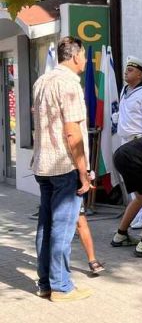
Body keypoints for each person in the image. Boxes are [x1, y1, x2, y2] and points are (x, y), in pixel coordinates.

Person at [32, 36, 92, 302]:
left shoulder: (42, 81)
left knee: (46, 225)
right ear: (76, 56)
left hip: (43, 164)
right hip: (64, 165)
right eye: (84, 56)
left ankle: (46, 283)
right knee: (63, 228)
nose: (86, 61)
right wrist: (83, 171)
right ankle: (61, 286)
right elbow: (72, 132)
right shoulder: (69, 84)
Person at [115, 56, 142, 228]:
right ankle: (139, 214)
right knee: (131, 181)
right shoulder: (125, 90)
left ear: (140, 74)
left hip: (138, 142)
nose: (126, 72)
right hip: (125, 141)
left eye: (130, 70)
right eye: (126, 69)